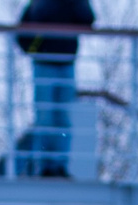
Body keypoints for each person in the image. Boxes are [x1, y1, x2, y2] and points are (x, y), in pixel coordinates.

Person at [11, 0, 94, 177]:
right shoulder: (38, 3)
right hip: (45, 62)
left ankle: (59, 166)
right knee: (45, 117)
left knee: (62, 117)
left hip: (65, 63)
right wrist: (35, 50)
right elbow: (22, 34)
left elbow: (88, 20)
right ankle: (45, 166)